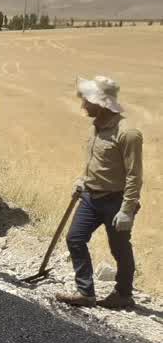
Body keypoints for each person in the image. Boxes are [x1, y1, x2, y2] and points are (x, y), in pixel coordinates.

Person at [56, 76, 143, 310]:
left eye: (87, 101)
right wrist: (82, 179)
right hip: (90, 197)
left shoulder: (128, 133)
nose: (83, 105)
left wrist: (126, 210)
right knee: (75, 238)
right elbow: (95, 160)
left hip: (116, 201)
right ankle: (85, 293)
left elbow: (134, 175)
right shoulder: (95, 126)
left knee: (120, 248)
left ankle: (123, 294)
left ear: (101, 104)